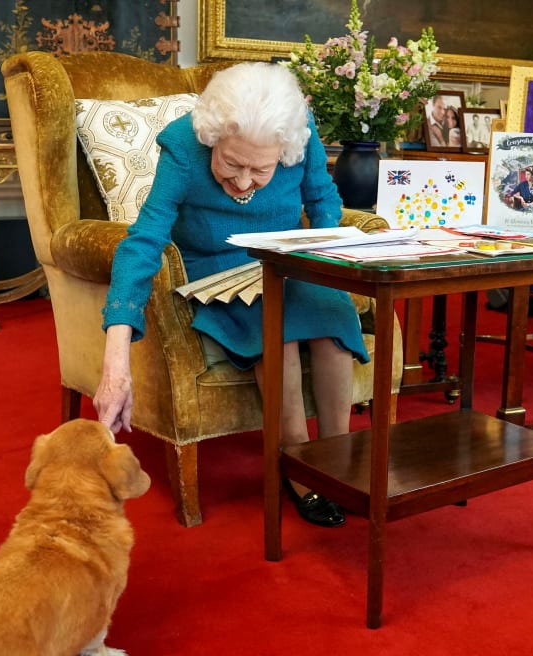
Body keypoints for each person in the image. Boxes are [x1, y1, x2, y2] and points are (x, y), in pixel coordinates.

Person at [95, 62, 367, 528]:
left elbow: (323, 203)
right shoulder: (183, 144)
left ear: (283, 149)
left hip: (287, 259)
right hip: (215, 266)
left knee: (333, 328)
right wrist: (116, 356)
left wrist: (330, 265)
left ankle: (335, 461)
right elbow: (143, 240)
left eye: (260, 170)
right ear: (212, 137)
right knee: (275, 335)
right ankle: (298, 467)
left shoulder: (298, 132)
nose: (243, 183)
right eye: (231, 164)